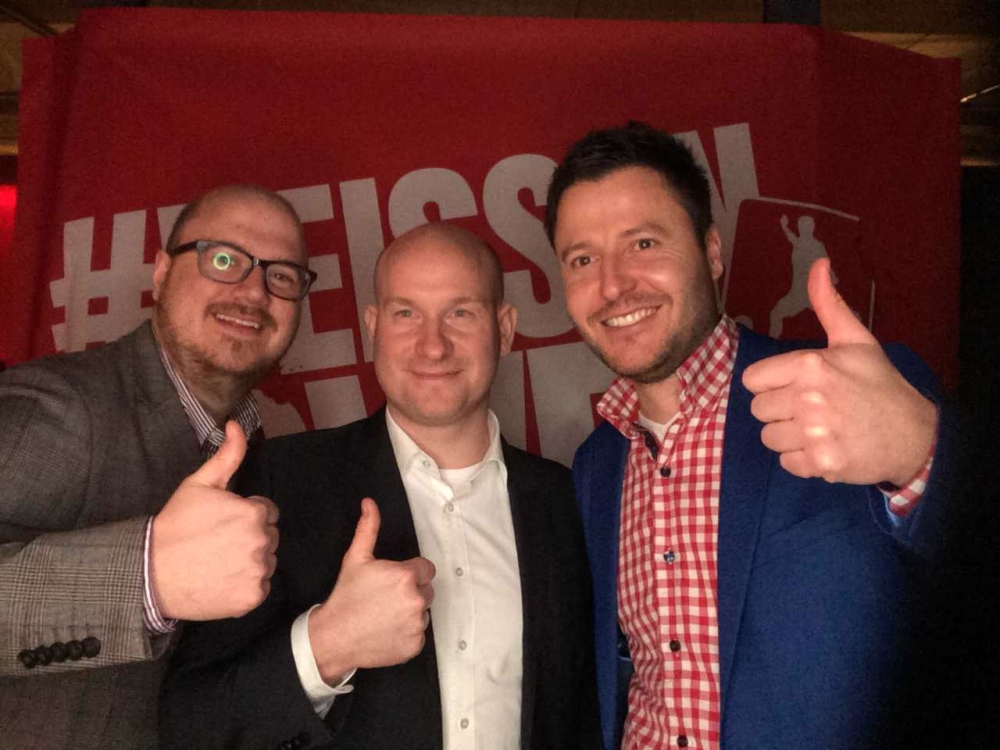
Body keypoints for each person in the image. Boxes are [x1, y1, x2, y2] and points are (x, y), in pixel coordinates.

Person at [544, 122, 952, 750]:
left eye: (644, 242)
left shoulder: (843, 393)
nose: (613, 285)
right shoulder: (596, 465)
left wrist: (922, 450)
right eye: (582, 259)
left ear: (711, 252)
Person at [160, 223, 600, 750]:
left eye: (460, 313)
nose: (433, 346)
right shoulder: (279, 481)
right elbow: (190, 723)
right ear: (373, 327)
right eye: (406, 314)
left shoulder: (565, 499)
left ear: (504, 330)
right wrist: (326, 646)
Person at [0, 184, 315, 748]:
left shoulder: (254, 447)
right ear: (162, 273)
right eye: (224, 260)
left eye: (282, 276)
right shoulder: (62, 407)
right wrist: (148, 578)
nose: (253, 291)